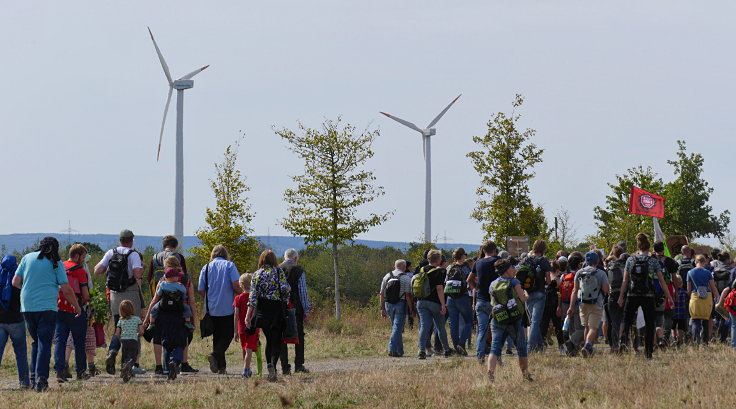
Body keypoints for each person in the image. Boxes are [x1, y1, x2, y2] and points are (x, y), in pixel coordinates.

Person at [12, 237, 80, 392]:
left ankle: (33, 376)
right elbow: (66, 289)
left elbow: (15, 282)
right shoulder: (56, 262)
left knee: (37, 341)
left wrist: (29, 289)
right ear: (55, 248)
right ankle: (41, 381)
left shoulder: (27, 258)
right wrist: (76, 306)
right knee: (44, 342)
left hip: (27, 306)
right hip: (47, 306)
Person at [94, 229, 145, 375]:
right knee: (134, 327)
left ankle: (112, 352)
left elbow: (97, 270)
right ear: (131, 240)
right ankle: (132, 363)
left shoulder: (111, 253)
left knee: (119, 326)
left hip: (115, 295)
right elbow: (136, 274)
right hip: (130, 294)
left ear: (120, 240)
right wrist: (141, 267)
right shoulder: (133, 254)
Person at [618, 233, 672, 359]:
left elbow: (625, 280)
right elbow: (662, 281)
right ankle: (648, 352)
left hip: (632, 294)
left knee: (626, 320)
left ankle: (623, 342)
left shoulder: (630, 260)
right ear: (649, 248)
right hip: (648, 295)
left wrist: (621, 296)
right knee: (649, 324)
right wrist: (669, 297)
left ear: (638, 247)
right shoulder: (653, 261)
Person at [144, 249, 198, 375]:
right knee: (180, 340)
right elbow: (192, 302)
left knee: (165, 342)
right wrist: (193, 319)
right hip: (181, 315)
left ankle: (166, 368)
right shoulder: (186, 280)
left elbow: (154, 301)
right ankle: (178, 363)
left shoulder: (163, 281)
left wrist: (147, 318)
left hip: (164, 315)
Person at [244, 250, 290, 382]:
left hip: (262, 310)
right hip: (277, 309)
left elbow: (253, 297)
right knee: (276, 340)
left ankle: (269, 363)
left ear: (262, 260)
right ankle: (273, 367)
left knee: (268, 338)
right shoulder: (278, 272)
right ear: (274, 260)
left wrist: (248, 316)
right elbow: (286, 289)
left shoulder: (257, 274)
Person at [198, 245, 241, 374]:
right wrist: (242, 293)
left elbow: (201, 289)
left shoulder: (206, 267)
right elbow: (235, 284)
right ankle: (216, 355)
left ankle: (221, 367)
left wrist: (209, 297)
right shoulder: (229, 266)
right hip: (227, 306)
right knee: (227, 335)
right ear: (225, 254)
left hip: (211, 308)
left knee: (217, 336)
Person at [486, 259, 532, 382]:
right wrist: (526, 294)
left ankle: (490, 373)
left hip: (498, 319)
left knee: (495, 347)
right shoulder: (514, 282)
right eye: (512, 268)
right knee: (521, 347)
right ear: (506, 270)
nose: (514, 270)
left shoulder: (493, 284)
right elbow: (522, 299)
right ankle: (525, 374)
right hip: (514, 319)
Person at [55, 244, 91, 382]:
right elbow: (85, 294)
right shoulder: (79, 270)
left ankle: (60, 371)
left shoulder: (61, 266)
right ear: (77, 256)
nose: (84, 259)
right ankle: (81, 372)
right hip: (75, 309)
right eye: (83, 256)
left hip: (59, 307)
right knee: (79, 342)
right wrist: (88, 300)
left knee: (60, 341)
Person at [568, 251, 610, 357]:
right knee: (593, 328)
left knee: (586, 327)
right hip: (596, 302)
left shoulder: (579, 273)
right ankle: (587, 346)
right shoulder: (601, 273)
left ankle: (587, 349)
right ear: (597, 260)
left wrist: (571, 306)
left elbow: (575, 290)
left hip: (582, 303)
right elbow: (605, 289)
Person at [278, 248, 311, 374]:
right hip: (296, 307)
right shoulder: (299, 271)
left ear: (284, 257)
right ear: (296, 259)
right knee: (299, 335)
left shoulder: (277, 269)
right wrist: (306, 310)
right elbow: (303, 293)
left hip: (280, 307)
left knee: (281, 337)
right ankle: (299, 365)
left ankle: (285, 367)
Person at [0, 255, 30, 389]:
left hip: (0, 321)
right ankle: (24, 382)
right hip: (17, 321)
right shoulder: (19, 278)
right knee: (21, 353)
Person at [415, 249, 452, 359]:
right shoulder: (438, 272)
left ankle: (421, 350)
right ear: (439, 259)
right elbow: (440, 289)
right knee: (440, 327)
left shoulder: (422, 270)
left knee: (424, 326)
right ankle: (446, 349)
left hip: (421, 302)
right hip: (434, 303)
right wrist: (443, 305)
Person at [468, 241, 500, 362]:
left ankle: (480, 356)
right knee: (496, 330)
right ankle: (497, 356)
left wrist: (475, 288)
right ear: (494, 250)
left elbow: (469, 279)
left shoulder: (478, 263)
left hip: (480, 300)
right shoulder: (497, 261)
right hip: (495, 300)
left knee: (482, 330)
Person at [520, 240, 552, 353]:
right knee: (535, 321)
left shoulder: (525, 260)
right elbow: (548, 280)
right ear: (543, 249)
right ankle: (530, 347)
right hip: (539, 292)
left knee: (533, 320)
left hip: (527, 293)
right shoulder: (544, 261)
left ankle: (539, 345)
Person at [380, 259, 414, 357]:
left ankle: (400, 351)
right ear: (404, 267)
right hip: (400, 304)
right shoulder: (406, 278)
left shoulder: (387, 276)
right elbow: (408, 295)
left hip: (388, 304)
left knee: (396, 328)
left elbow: (382, 293)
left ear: (395, 266)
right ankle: (392, 348)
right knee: (397, 328)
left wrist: (382, 308)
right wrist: (411, 309)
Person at [146, 265, 194, 332]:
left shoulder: (162, 284)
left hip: (163, 304)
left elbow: (159, 293)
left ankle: (151, 323)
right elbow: (184, 291)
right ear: (174, 277)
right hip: (177, 303)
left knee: (154, 309)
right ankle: (188, 321)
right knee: (187, 308)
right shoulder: (178, 285)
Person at [444, 248, 473, 355]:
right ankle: (461, 343)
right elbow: (470, 281)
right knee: (469, 321)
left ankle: (457, 348)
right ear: (462, 256)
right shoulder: (465, 268)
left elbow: (445, 282)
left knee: (453, 324)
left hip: (451, 298)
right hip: (462, 297)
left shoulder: (449, 267)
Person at [686, 254, 719, 344]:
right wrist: (717, 298)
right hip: (707, 297)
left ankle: (695, 341)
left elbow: (688, 290)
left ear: (695, 262)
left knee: (695, 320)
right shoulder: (707, 272)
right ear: (704, 262)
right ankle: (705, 342)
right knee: (706, 320)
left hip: (695, 296)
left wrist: (691, 297)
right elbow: (713, 287)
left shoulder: (690, 273)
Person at [233, 273, 258, 378]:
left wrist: (235, 331)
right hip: (252, 327)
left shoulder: (238, 298)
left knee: (245, 349)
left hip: (241, 328)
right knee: (249, 349)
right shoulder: (255, 297)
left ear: (240, 285)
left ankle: (246, 368)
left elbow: (236, 315)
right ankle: (246, 369)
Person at [653, 241, 677, 347]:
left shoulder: (651, 260)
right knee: (668, 314)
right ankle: (665, 338)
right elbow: (674, 278)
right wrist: (676, 290)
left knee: (654, 315)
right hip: (668, 288)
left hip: (653, 289)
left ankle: (655, 338)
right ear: (663, 249)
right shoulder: (670, 261)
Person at [604, 246, 626, 353]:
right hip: (623, 294)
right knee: (623, 320)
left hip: (611, 295)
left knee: (614, 322)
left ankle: (614, 346)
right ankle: (623, 342)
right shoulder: (624, 265)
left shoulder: (608, 266)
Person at [116, 300, 143, 382]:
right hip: (133, 341)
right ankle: (128, 367)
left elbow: (117, 334)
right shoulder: (137, 319)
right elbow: (142, 331)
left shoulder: (120, 321)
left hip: (124, 341)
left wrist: (121, 338)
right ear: (132, 309)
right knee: (133, 357)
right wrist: (138, 334)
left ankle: (124, 372)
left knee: (124, 356)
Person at [540, 259, 563, 353]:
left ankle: (542, 345)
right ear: (557, 270)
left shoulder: (546, 279)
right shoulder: (558, 280)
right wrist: (559, 306)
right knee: (557, 326)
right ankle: (561, 346)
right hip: (554, 305)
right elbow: (559, 295)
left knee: (544, 326)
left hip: (545, 305)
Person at [671, 273, 689, 346]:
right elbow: (687, 302)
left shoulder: (671, 293)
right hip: (682, 313)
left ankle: (674, 338)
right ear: (681, 283)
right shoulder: (685, 293)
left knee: (673, 327)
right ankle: (680, 340)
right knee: (681, 327)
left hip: (673, 313)